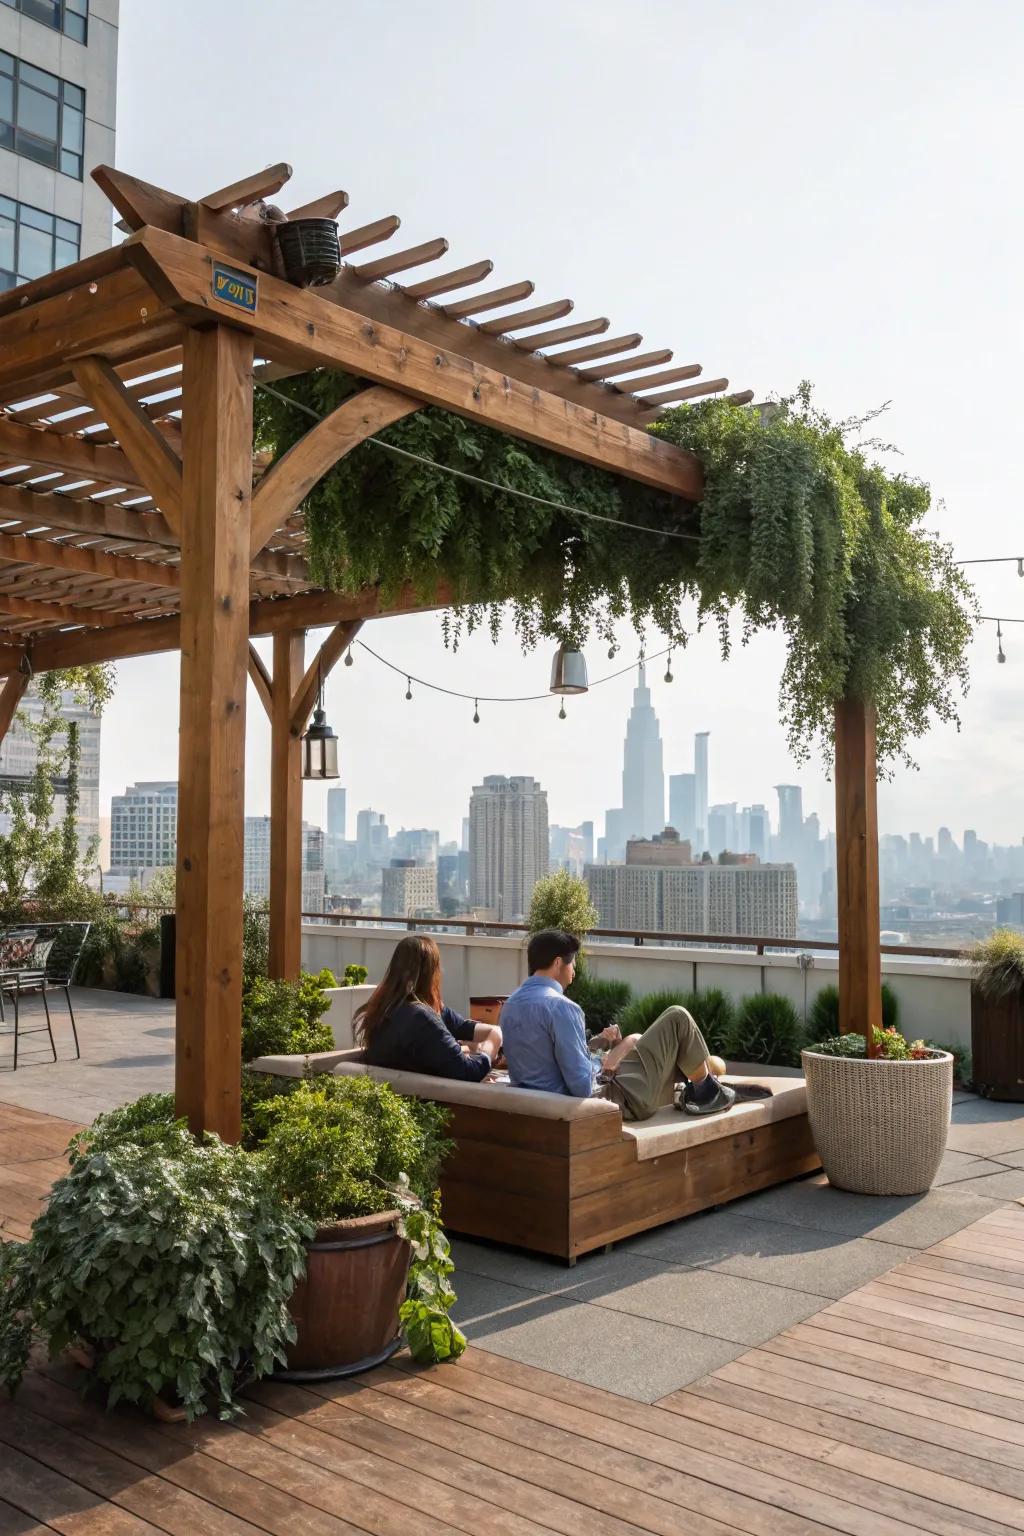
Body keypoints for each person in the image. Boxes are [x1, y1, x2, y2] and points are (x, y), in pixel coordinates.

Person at [500, 929, 735, 1119]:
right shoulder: (561, 1007)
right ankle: (706, 1091)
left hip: (538, 1106)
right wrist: (603, 1061)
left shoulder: (510, 1005)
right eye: (573, 964)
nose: (574, 972)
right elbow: (582, 1086)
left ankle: (697, 1085)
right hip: (609, 1101)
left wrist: (596, 1049)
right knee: (677, 1017)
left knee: (640, 1043)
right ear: (558, 963)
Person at [355, 934, 501, 1082]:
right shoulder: (420, 1018)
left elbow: (461, 1026)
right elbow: (467, 1072)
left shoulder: (387, 1008)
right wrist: (489, 1047)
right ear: (431, 973)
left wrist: (492, 1033)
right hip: (421, 1095)